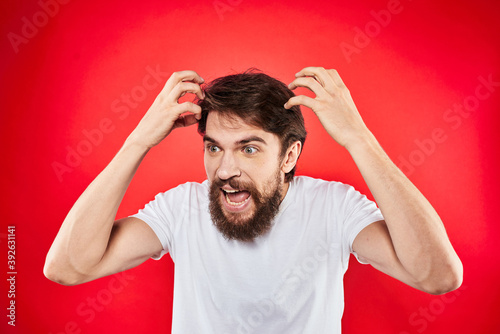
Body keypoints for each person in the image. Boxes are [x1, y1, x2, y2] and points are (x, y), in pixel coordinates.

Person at [44, 67, 463, 333]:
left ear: (290, 155)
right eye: (213, 147)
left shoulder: (333, 208)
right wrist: (137, 142)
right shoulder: (182, 209)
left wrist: (358, 139)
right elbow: (67, 268)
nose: (224, 170)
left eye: (248, 148)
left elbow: (438, 276)